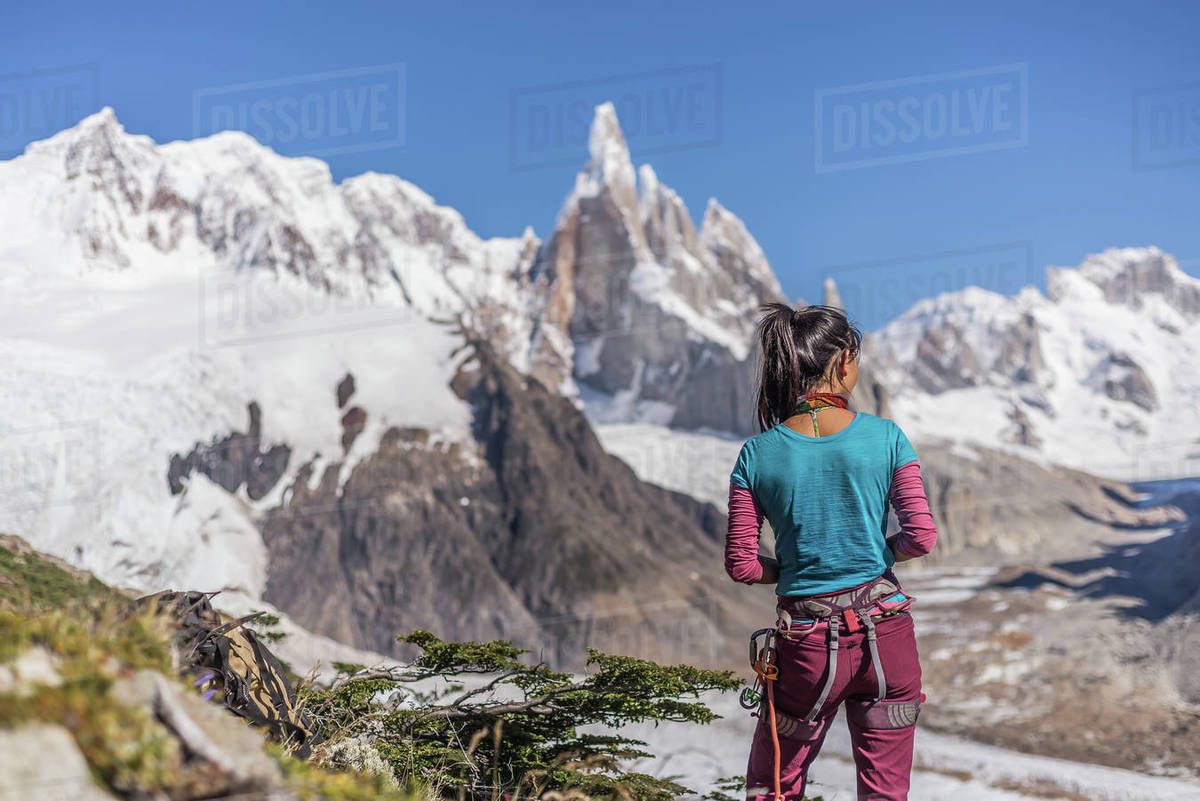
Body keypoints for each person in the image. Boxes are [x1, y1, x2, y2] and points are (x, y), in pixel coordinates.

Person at [725, 303, 938, 801]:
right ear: (844, 362)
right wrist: (871, 554)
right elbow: (921, 536)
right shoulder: (887, 438)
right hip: (887, 635)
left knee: (774, 784)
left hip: (807, 645)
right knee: (885, 792)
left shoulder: (757, 456)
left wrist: (796, 567)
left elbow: (742, 564)